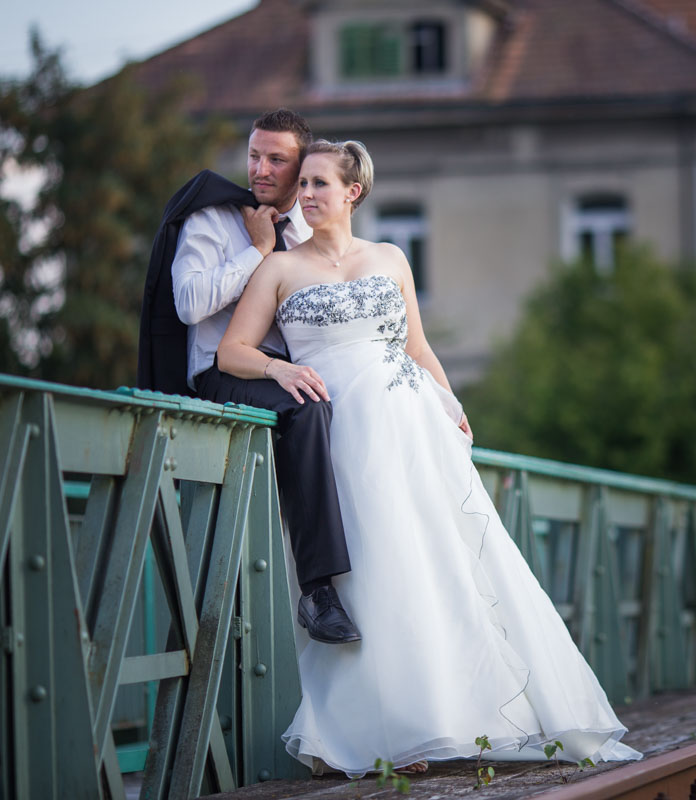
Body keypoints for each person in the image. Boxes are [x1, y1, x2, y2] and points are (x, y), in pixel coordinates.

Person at [216, 140, 641, 775]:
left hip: (410, 425)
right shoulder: (278, 268)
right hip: (341, 431)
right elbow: (231, 352)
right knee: (370, 567)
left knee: (429, 562)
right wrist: (281, 369)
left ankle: (452, 716)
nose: (304, 194)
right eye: (301, 183)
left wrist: (451, 402)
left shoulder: (390, 259)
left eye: (318, 184)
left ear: (352, 192)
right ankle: (389, 727)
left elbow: (415, 345)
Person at [137, 109, 360, 645]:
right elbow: (189, 305)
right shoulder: (211, 220)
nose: (260, 168)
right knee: (307, 410)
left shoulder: (307, 227)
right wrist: (256, 252)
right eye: (255, 155)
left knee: (360, 412)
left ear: (301, 166)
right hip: (223, 370)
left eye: (277, 159)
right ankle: (318, 593)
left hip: (292, 371)